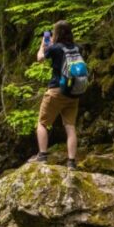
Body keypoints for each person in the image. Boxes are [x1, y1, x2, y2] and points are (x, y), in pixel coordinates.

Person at [32, 20, 80, 168]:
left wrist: (43, 45)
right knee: (70, 126)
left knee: (42, 123)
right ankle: (71, 162)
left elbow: (40, 58)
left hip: (56, 91)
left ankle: (42, 156)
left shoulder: (55, 48)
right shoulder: (77, 47)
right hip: (73, 92)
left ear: (56, 33)